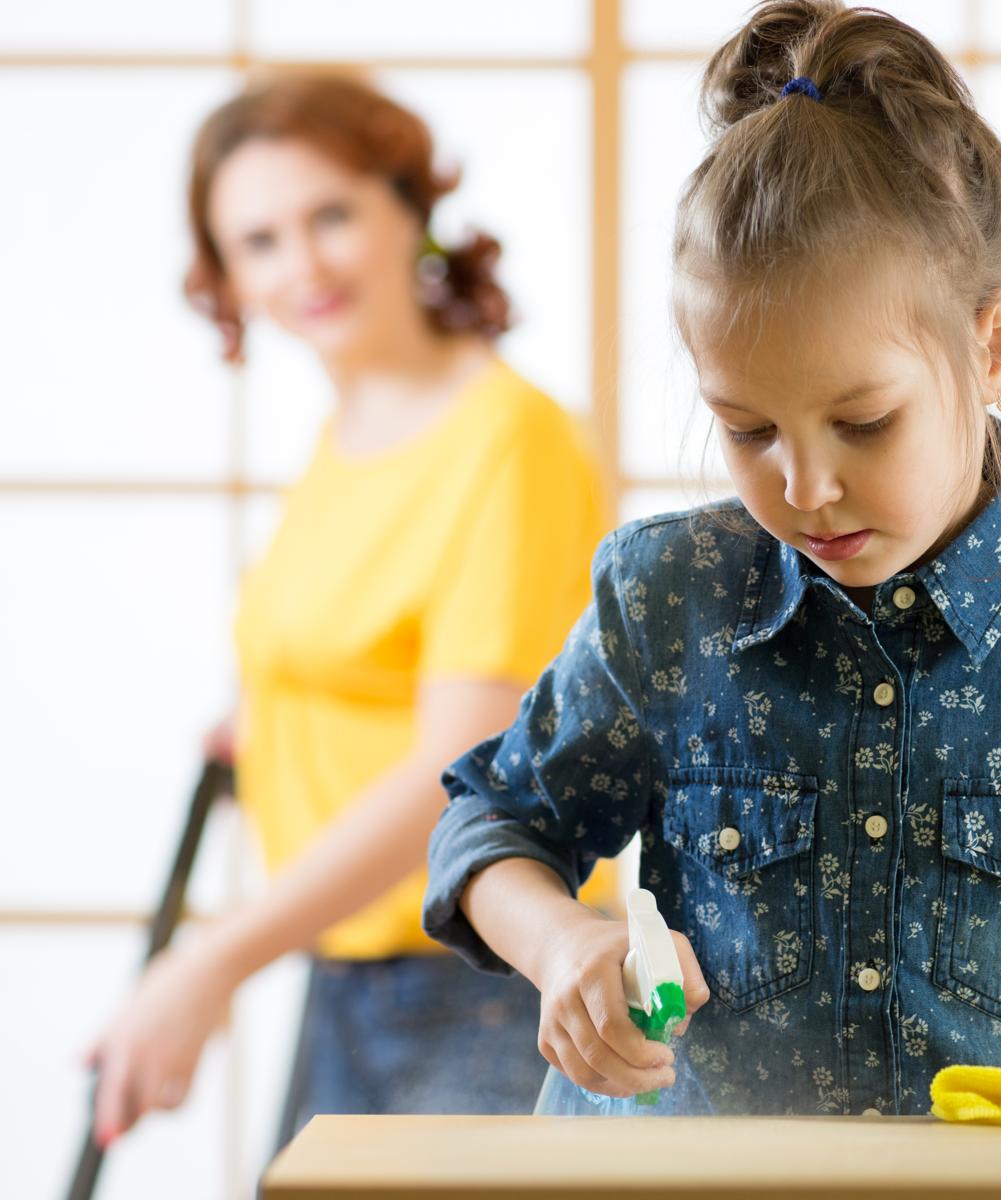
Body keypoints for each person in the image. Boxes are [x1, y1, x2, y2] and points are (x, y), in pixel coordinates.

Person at [421, 0, 1001, 1118]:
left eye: (865, 423)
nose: (806, 486)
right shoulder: (670, 596)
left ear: (996, 348)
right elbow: (489, 820)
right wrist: (563, 948)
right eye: (747, 430)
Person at [87, 71, 613, 1146]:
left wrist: (210, 961)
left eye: (332, 215)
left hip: (482, 979)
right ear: (225, 273)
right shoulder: (342, 439)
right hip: (351, 971)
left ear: (409, 210)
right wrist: (273, 726)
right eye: (260, 240)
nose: (305, 264)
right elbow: (352, 663)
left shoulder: (511, 440)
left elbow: (455, 767)